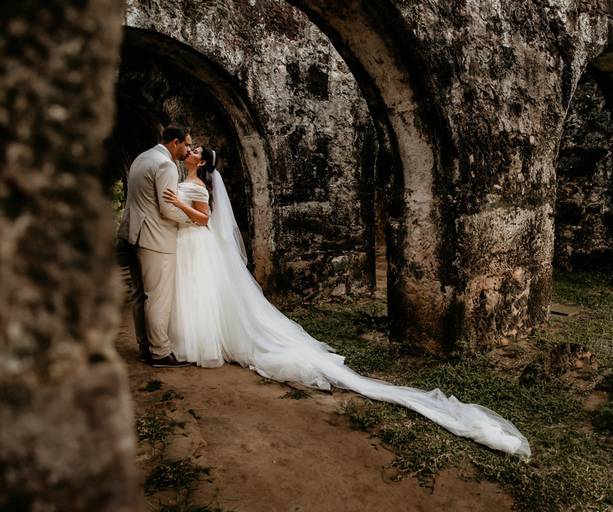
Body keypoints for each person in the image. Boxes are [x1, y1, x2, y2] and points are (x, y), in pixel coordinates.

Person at [161, 146, 531, 458]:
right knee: (200, 294)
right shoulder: (186, 177)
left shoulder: (198, 187)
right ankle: (201, 338)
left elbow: (203, 219)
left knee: (214, 297)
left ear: (203, 163)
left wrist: (178, 201)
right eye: (189, 147)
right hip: (190, 248)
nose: (191, 151)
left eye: (195, 150)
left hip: (197, 241)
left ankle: (208, 342)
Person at [118, 125, 194, 368]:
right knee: (158, 297)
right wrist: (194, 219)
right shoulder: (166, 165)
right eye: (186, 144)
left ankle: (145, 349)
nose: (188, 149)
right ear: (175, 142)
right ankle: (160, 352)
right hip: (155, 239)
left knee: (140, 295)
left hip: (132, 234)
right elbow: (168, 208)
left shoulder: (142, 158)